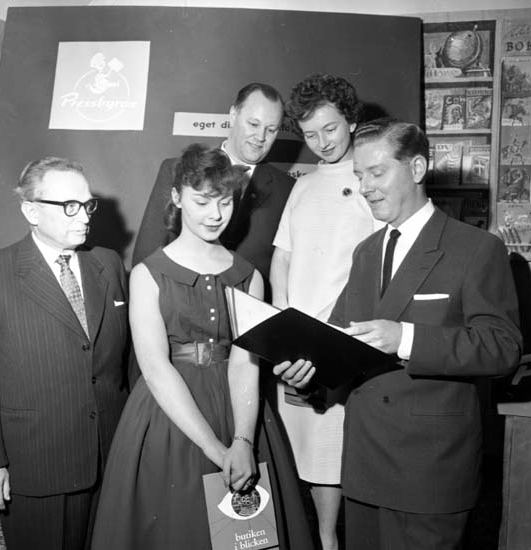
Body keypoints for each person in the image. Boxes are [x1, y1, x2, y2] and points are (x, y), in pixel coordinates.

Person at [274, 118, 522, 550]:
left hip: (429, 472)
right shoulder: (366, 252)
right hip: (364, 468)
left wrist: (405, 338)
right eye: (359, 175)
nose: (365, 187)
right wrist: (309, 374)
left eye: (376, 173)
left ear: (418, 168)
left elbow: (502, 347)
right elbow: (341, 345)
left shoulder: (476, 248)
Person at [90, 144, 312, 550]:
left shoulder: (249, 276)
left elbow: (245, 364)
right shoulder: (148, 274)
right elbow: (155, 368)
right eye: (202, 202)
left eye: (225, 202)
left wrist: (242, 443)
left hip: (239, 412)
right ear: (177, 198)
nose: (215, 215)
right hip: (169, 418)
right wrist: (216, 450)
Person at [0, 157, 129, 550]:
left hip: (110, 456)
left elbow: (124, 363)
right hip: (36, 465)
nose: (85, 216)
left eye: (88, 204)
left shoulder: (108, 263)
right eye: (70, 206)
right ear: (31, 211)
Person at [270, 73, 379, 550]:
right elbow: (283, 257)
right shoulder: (304, 185)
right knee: (302, 451)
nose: (322, 143)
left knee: (331, 453)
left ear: (351, 121)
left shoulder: (371, 180)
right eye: (311, 134)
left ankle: (329, 540)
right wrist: (282, 320)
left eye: (330, 129)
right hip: (296, 339)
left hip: (341, 340)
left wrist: (336, 333)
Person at [131, 82, 294, 284]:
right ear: (233, 115)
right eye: (253, 124)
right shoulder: (176, 170)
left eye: (271, 130)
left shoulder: (288, 189)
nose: (260, 137)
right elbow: (147, 255)